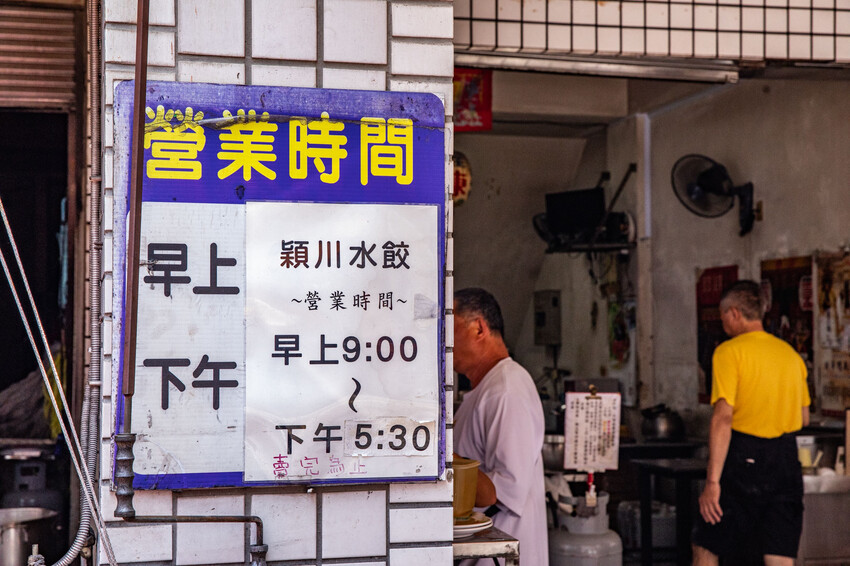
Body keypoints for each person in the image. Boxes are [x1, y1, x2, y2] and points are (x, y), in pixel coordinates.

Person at [692, 280, 810, 566]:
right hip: (785, 459)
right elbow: (804, 417)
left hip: (744, 457)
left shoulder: (729, 352)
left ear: (734, 313)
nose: (722, 324)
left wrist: (712, 482)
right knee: (779, 556)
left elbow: (723, 418)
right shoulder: (791, 355)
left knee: (707, 545)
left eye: (723, 317)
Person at [452, 287, 548, 566]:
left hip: (503, 556)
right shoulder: (487, 388)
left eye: (450, 327)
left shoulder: (506, 390)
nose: (443, 340)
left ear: (479, 328)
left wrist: (441, 455)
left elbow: (504, 490)